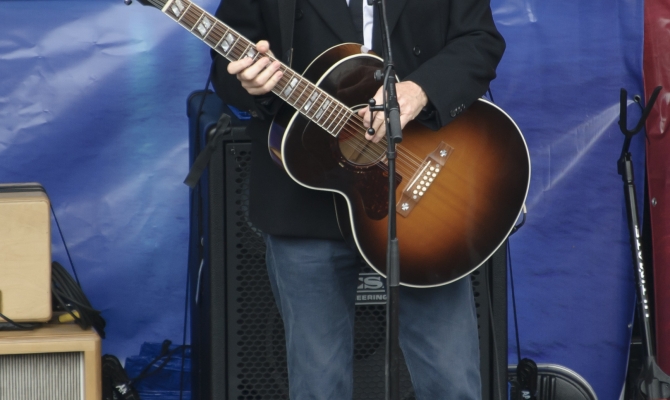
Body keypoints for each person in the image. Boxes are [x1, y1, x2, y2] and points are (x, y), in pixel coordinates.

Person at [210, 0, 505, 398]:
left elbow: (480, 39)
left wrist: (420, 91)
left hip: (423, 198)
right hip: (305, 197)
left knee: (450, 381)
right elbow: (226, 66)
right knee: (318, 387)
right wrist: (252, 84)